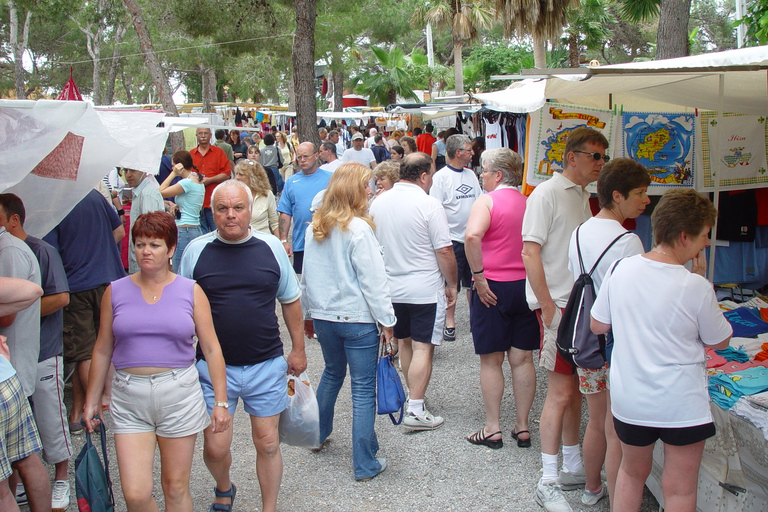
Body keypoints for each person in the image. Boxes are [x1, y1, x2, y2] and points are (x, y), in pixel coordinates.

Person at [591, 189, 732, 512]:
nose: (706, 244)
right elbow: (719, 340)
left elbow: (598, 325)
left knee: (630, 473)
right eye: (704, 237)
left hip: (632, 398)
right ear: (685, 237)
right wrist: (700, 281)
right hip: (681, 402)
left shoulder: (620, 269)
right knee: (680, 489)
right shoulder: (695, 286)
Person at [83, 212, 230, 512]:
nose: (145, 251)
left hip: (178, 392)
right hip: (129, 395)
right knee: (135, 494)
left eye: (154, 244)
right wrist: (91, 399)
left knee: (175, 487)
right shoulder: (115, 291)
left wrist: (221, 401)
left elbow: (211, 348)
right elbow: (102, 349)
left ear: (171, 249)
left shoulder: (191, 291)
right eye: (139, 244)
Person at [179, 180, 306, 512]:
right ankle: (224, 487)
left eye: (238, 208)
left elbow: (290, 300)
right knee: (215, 448)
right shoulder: (196, 251)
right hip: (212, 369)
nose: (230, 215)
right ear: (212, 212)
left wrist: (298, 349)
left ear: (252, 210)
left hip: (265, 363)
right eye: (222, 208)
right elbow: (181, 308)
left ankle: (269, 507)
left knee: (267, 443)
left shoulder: (271, 248)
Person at [521, 127, 608, 512]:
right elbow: (529, 252)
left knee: (572, 390)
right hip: (558, 307)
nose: (600, 164)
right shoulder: (547, 193)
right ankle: (549, 478)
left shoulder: (582, 196)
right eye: (595, 156)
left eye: (603, 157)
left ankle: (571, 463)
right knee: (560, 393)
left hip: (575, 307)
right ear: (572, 157)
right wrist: (549, 307)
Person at [301, 163, 396, 481]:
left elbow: (307, 277)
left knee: (331, 373)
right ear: (355, 190)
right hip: (356, 320)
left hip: (326, 318)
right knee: (363, 389)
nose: (371, 190)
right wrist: (387, 321)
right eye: (367, 185)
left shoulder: (316, 226)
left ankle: (316, 434)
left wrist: (307, 314)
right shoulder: (358, 229)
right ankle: (365, 463)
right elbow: (374, 281)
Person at [566, 158, 650, 508]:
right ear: (618, 196)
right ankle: (619, 498)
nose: (646, 201)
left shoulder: (580, 231)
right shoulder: (628, 242)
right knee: (615, 427)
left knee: (596, 420)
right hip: (617, 345)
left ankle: (591, 487)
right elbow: (639, 299)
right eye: (641, 193)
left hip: (586, 342)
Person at [369, 152, 457, 431]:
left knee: (404, 342)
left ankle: (413, 397)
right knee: (422, 346)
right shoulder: (429, 204)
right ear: (423, 176)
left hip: (390, 286)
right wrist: (452, 283)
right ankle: (416, 407)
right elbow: (443, 249)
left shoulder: (378, 202)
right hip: (423, 287)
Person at [463, 148, 539, 451]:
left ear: (497, 175)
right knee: (522, 358)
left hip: (492, 286)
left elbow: (472, 236)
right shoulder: (529, 202)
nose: (481, 175)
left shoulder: (487, 200)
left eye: (483, 170)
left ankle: (492, 427)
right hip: (524, 286)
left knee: (491, 360)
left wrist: (478, 276)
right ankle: (522, 426)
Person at [0, 195, 72, 510]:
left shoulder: (30, 250)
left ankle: (62, 480)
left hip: (36, 353)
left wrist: (25, 311)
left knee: (50, 424)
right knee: (22, 450)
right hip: (16, 361)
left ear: (13, 219)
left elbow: (59, 297)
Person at [43, 189, 126, 434]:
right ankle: (83, 409)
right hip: (108, 280)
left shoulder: (54, 203)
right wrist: (97, 254)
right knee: (106, 344)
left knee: (84, 352)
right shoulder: (95, 196)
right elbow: (119, 231)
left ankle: (94, 410)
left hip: (75, 285)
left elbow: (49, 252)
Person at [0, 278, 49, 512]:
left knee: (1, 493)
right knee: (28, 459)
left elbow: (34, 291)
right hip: (7, 380)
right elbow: (32, 290)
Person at [430, 134, 482, 342]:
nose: (472, 153)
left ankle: (475, 318)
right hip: (451, 240)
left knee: (474, 280)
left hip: (472, 237)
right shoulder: (440, 178)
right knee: (451, 284)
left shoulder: (470, 175)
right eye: (469, 149)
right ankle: (449, 322)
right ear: (458, 152)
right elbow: (436, 209)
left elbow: (478, 201)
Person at [277, 142, 333, 274]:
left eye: (306, 157)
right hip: (301, 244)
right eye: (299, 157)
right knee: (303, 284)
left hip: (326, 241)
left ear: (316, 155)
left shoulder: (330, 178)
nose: (302, 160)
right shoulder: (291, 182)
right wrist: (284, 240)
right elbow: (285, 213)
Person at [159, 150, 205, 271]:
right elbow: (190, 202)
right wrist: (177, 205)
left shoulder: (187, 183)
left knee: (178, 269)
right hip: (195, 228)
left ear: (180, 166)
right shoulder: (197, 179)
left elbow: (160, 191)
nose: (172, 167)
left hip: (184, 230)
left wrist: (173, 174)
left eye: (173, 165)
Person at [122, 167, 165, 274]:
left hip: (145, 265)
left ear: (144, 171)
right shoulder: (141, 192)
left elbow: (149, 233)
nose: (128, 175)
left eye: (133, 170)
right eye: (125, 171)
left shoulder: (147, 194)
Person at [191, 127, 231, 233]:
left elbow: (227, 174)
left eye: (205, 133)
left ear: (210, 135)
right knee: (199, 235)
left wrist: (210, 180)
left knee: (219, 232)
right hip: (196, 204)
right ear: (196, 136)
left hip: (215, 202)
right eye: (200, 133)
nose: (203, 136)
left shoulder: (219, 152)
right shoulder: (190, 154)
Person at [234, 160, 279, 236]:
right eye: (236, 174)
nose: (237, 177)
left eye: (241, 175)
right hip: (240, 241)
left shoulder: (267, 194)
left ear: (252, 178)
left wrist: (280, 243)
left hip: (263, 239)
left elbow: (274, 222)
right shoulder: (233, 194)